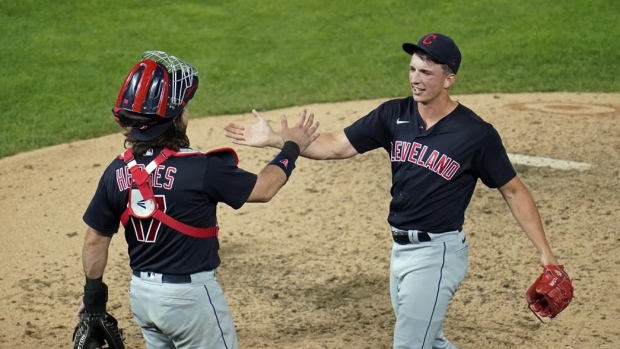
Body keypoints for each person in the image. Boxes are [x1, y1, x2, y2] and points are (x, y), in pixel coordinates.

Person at [224, 33, 569, 349]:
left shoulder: (475, 134)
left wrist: (545, 252)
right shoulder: (394, 114)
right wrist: (277, 140)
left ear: (449, 79)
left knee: (409, 344)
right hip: (401, 252)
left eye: (426, 73)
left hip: (438, 255)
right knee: (427, 341)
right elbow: (335, 146)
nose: (415, 79)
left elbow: (513, 190)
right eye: (412, 69)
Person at [75, 51, 319, 349]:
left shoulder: (116, 171)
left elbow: (94, 241)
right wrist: (291, 148)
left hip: (142, 297)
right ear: (176, 118)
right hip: (189, 302)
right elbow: (264, 188)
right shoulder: (202, 168)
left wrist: (94, 303)